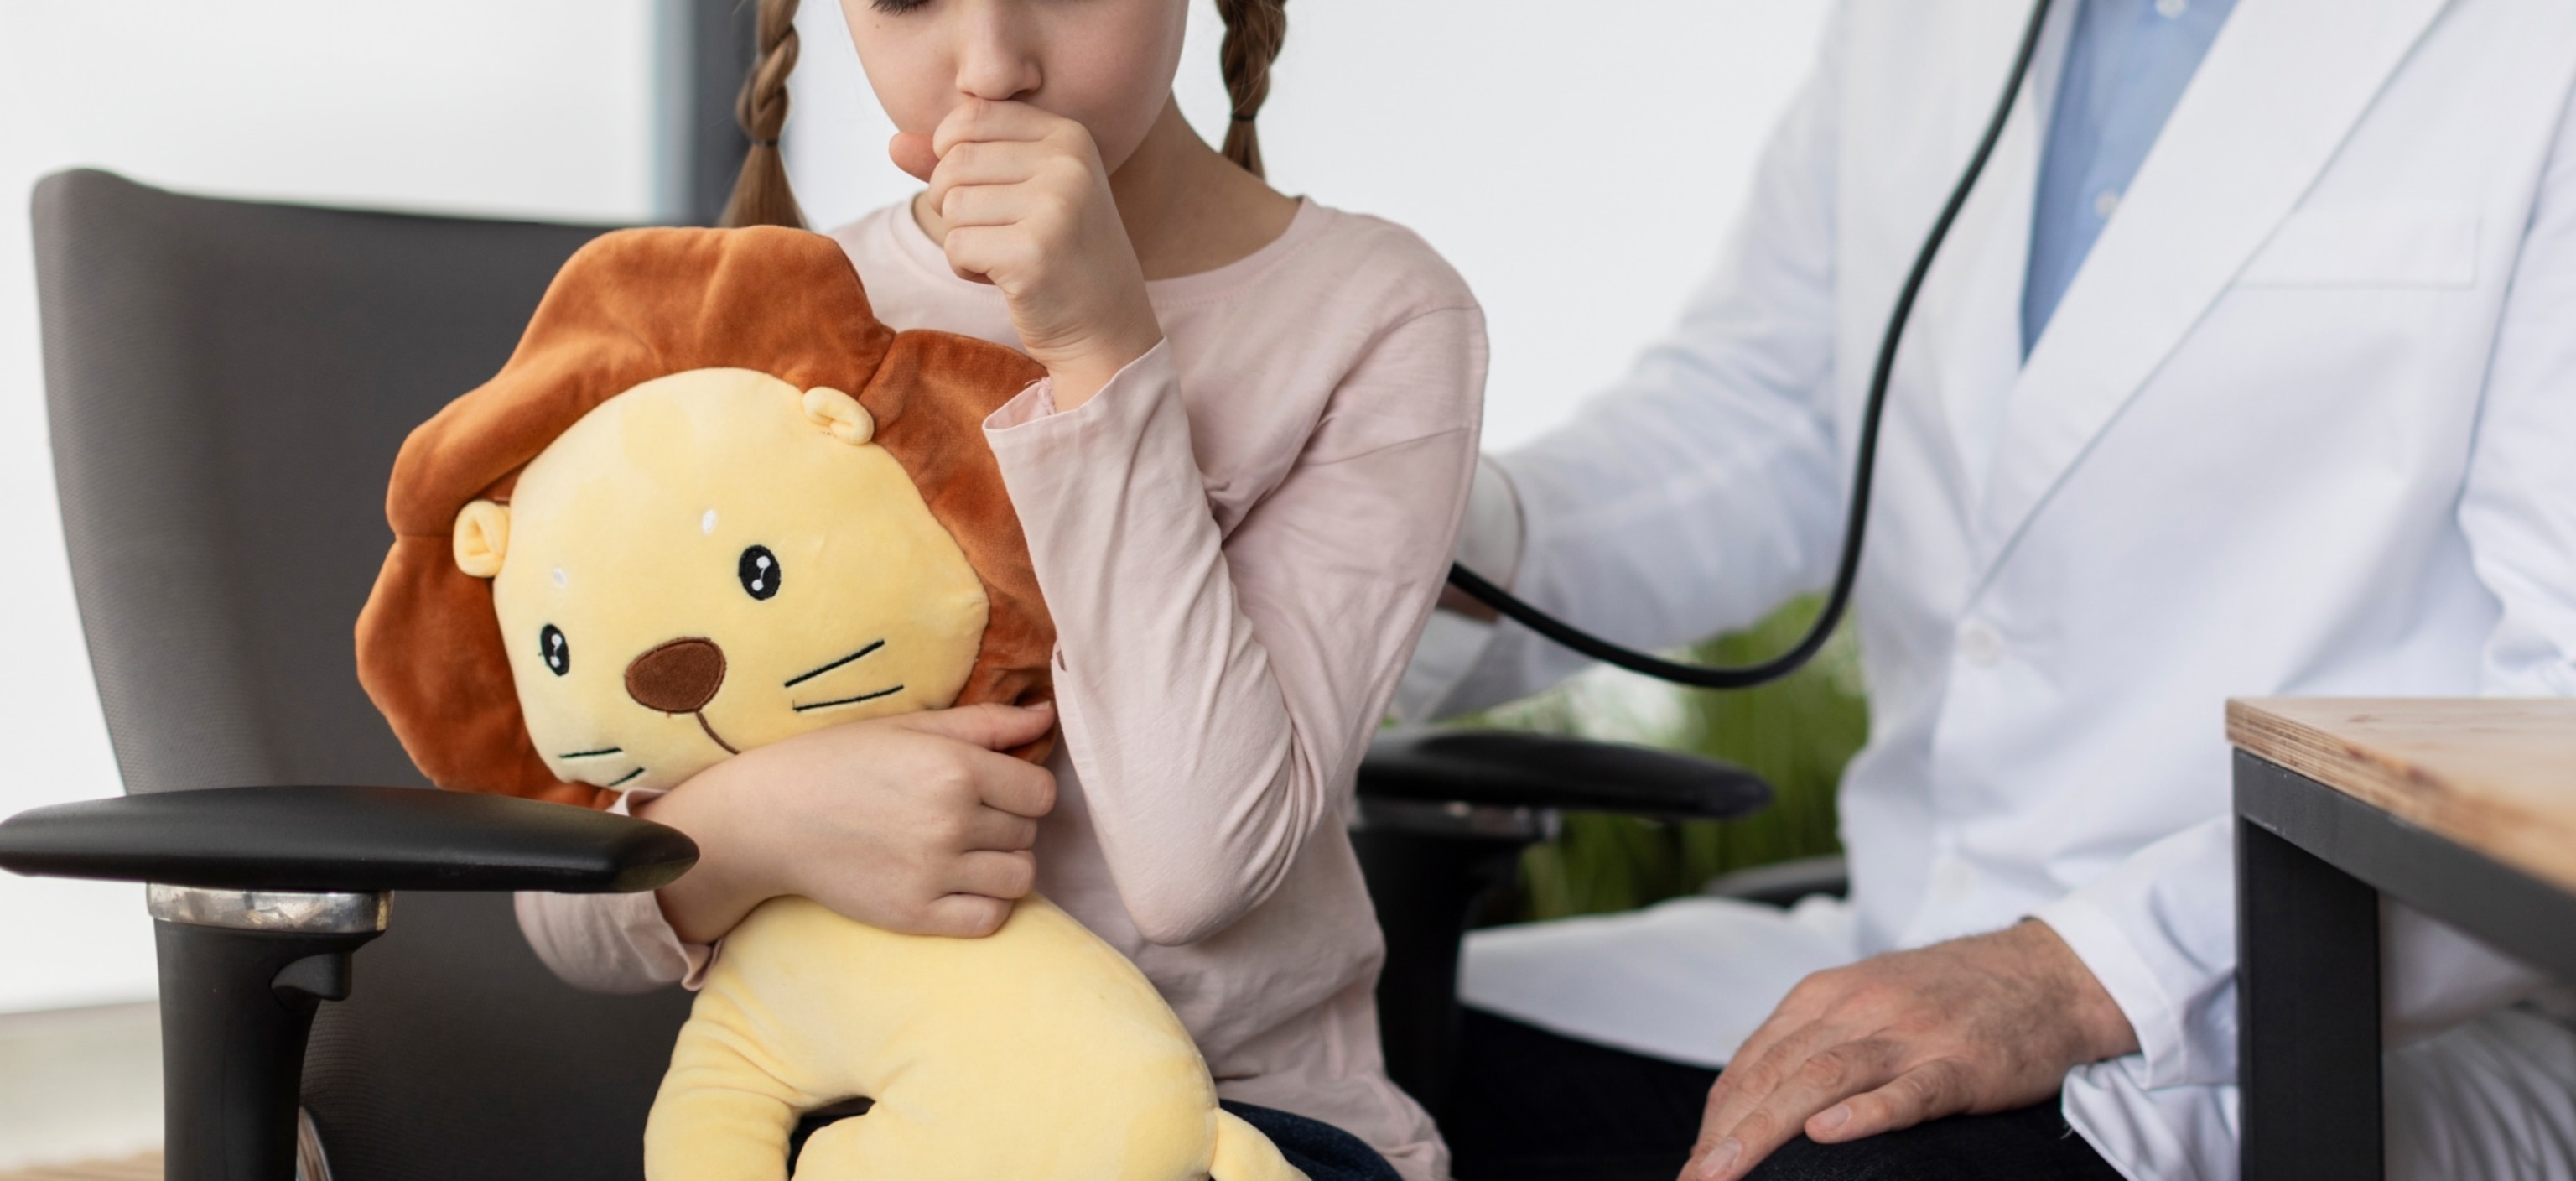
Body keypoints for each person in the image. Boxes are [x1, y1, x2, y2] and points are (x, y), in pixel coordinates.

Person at [1399, 1, 2576, 1178]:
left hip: (2365, 1024)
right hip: (1909, 938)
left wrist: (2075, 973)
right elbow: (1776, 418)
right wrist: (1409, 535)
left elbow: (2563, 717)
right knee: (1350, 1067)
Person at [512, 2, 1487, 1178]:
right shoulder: (773, 318)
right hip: (853, 1115)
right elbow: (563, 906)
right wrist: (760, 826)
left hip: (1234, 1127)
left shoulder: (1378, 315)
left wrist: (1100, 350)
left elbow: (1197, 870)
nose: (989, 70)